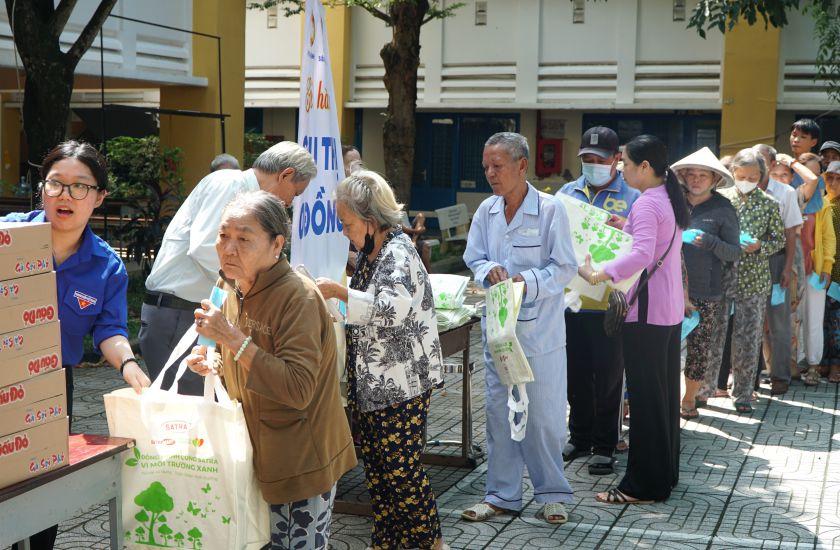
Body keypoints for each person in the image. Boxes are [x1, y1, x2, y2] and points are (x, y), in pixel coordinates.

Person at [186, 191, 355, 550]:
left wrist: (232, 338)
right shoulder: (227, 284)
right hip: (248, 450)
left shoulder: (300, 298)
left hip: (299, 459)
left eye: (244, 239)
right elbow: (224, 350)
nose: (229, 249)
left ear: (277, 243)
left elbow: (298, 388)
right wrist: (210, 360)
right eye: (223, 236)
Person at [7, 141, 150, 550]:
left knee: (45, 483)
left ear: (100, 196)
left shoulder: (106, 266)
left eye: (79, 187)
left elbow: (109, 331)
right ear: (42, 188)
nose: (65, 196)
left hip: (52, 384)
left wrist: (128, 366)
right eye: (56, 184)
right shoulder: (9, 235)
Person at [315, 170, 447, 550]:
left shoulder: (398, 252)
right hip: (373, 383)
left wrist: (338, 290)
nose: (344, 231)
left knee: (402, 473)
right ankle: (387, 542)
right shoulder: (373, 252)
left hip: (399, 385)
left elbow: (388, 310)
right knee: (379, 474)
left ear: (371, 219)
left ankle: (432, 544)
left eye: (348, 223)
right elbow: (361, 311)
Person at [462, 132, 577, 523]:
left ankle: (552, 493)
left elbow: (564, 267)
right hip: (499, 335)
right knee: (498, 414)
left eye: (498, 166)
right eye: (486, 167)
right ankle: (501, 495)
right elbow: (473, 256)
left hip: (539, 336)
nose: (490, 174)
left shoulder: (550, 210)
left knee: (544, 418)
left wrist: (526, 280)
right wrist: (485, 270)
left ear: (522, 165)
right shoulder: (486, 211)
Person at [140, 141, 316, 395]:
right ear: (285, 175)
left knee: (204, 410)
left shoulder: (243, 192)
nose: (290, 203)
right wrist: (255, 288)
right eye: (295, 193)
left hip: (192, 310)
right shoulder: (229, 184)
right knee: (184, 419)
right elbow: (204, 249)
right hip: (177, 311)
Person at [578, 134, 689, 504]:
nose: (619, 169)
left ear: (645, 167)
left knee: (644, 402)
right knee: (662, 399)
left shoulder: (646, 203)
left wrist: (599, 273)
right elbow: (650, 244)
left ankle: (641, 486)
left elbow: (641, 254)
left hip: (645, 313)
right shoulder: (666, 198)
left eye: (625, 163)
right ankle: (664, 475)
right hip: (667, 311)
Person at [555, 126, 640, 475]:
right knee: (575, 373)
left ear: (616, 159)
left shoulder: (634, 195)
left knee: (608, 377)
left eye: (599, 160)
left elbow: (644, 244)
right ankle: (580, 436)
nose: (592, 165)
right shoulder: (566, 193)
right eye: (586, 160)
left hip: (611, 300)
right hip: (572, 299)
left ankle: (605, 445)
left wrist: (626, 228)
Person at [671, 147, 740, 418]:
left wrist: (711, 243)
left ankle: (689, 399)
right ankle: (662, 396)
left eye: (703, 175)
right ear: (684, 177)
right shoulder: (672, 201)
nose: (696, 180)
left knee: (700, 349)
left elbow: (734, 252)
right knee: (664, 347)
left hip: (706, 290)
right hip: (669, 287)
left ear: (714, 180)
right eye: (692, 175)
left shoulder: (723, 209)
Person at [717, 149, 785, 412]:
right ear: (733, 173)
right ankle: (706, 388)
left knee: (748, 337)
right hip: (721, 277)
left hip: (753, 279)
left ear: (761, 176)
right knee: (715, 334)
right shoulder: (721, 200)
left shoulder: (769, 203)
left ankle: (743, 393)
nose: (746, 180)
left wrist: (760, 246)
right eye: (741, 175)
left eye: (753, 176)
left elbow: (778, 240)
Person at [752, 144, 804, 396]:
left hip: (775, 261)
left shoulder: (785, 192)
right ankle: (747, 378)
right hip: (747, 263)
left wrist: (787, 267)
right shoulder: (743, 188)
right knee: (747, 320)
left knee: (779, 321)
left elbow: (791, 233)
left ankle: (780, 376)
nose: (758, 165)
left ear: (773, 164)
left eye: (762, 160)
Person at [796, 153, 836, 384]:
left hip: (815, 270)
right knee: (791, 319)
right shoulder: (788, 199)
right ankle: (789, 365)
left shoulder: (823, 204)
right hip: (790, 270)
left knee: (813, 318)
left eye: (814, 172)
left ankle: (813, 365)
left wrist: (827, 266)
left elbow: (829, 239)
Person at [821, 161, 840, 383]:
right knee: (823, 321)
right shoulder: (822, 203)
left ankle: (836, 364)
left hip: (837, 276)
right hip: (824, 273)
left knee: (836, 322)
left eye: (838, 179)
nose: (833, 183)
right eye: (829, 178)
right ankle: (825, 362)